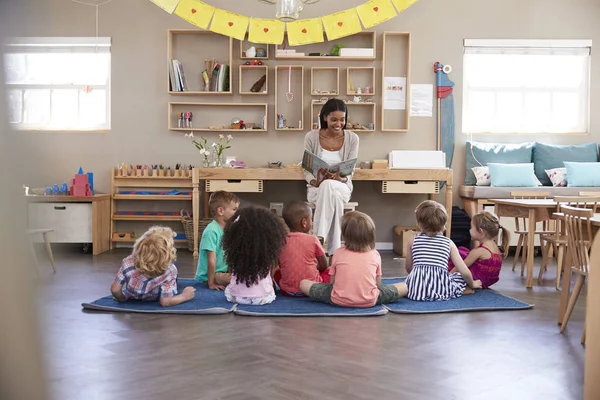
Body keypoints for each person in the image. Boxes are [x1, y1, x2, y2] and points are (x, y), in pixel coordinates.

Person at [299, 211, 403, 308]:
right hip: (370, 300)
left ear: (344, 236)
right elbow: (378, 284)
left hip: (338, 299)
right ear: (371, 235)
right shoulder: (375, 254)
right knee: (404, 286)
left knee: (303, 283)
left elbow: (332, 282)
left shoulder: (338, 252)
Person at [303, 98, 359, 256]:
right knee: (330, 192)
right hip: (317, 188)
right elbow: (307, 168)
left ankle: (318, 241)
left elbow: (350, 169)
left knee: (329, 186)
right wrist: (316, 180)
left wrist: (339, 178)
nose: (338, 124)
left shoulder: (352, 139)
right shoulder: (311, 137)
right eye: (334, 119)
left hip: (342, 186)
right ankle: (333, 251)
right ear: (325, 117)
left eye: (342, 119)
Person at [396, 201, 482, 301]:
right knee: (458, 276)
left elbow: (409, 268)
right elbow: (464, 272)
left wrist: (418, 276)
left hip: (415, 290)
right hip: (441, 289)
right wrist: (473, 283)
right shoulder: (448, 243)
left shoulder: (412, 240)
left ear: (419, 224)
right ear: (444, 224)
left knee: (407, 283)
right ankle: (463, 290)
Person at [110, 226, 196, 307]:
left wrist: (122, 298)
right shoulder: (170, 270)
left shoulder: (128, 262)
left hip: (133, 296)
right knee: (174, 265)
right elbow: (165, 302)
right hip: (155, 297)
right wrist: (185, 296)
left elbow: (115, 290)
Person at [222, 206, 288, 305]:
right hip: (263, 298)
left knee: (230, 286)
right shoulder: (267, 255)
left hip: (237, 297)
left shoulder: (236, 254)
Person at [274, 201, 329, 296]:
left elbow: (281, 264)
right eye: (311, 219)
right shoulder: (313, 239)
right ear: (304, 222)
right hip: (312, 289)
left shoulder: (280, 240)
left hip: (287, 291)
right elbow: (324, 265)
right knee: (329, 272)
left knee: (278, 272)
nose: (311, 222)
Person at [448, 211, 509, 288]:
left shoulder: (479, 251)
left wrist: (447, 277)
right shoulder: (494, 246)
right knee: (463, 252)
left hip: (477, 281)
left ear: (481, 231)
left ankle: (467, 288)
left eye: (471, 228)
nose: (469, 230)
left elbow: (459, 267)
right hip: (488, 280)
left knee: (457, 256)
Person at [194, 190, 240, 290]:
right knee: (243, 280)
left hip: (223, 272)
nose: (237, 213)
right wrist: (211, 283)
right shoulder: (211, 231)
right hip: (211, 276)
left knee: (246, 277)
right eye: (234, 209)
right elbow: (212, 260)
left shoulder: (228, 229)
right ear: (220, 211)